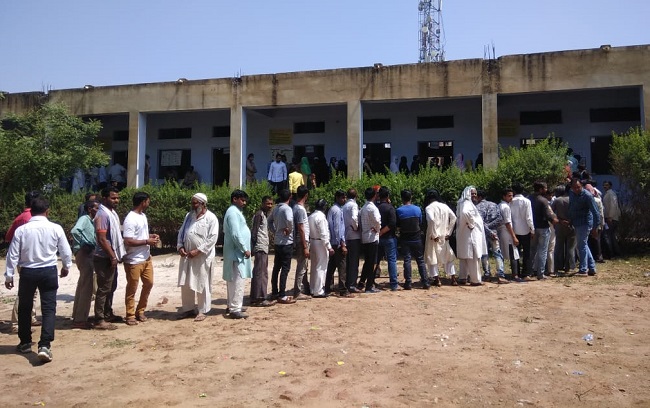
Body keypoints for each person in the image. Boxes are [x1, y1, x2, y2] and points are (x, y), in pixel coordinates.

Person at [5, 197, 72, 363]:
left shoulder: (22, 230)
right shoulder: (55, 228)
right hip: (48, 270)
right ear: (47, 211)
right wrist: (66, 266)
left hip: (28, 272)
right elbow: (65, 250)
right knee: (49, 308)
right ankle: (45, 345)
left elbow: (12, 253)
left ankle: (25, 342)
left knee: (25, 307)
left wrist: (9, 274)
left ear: (30, 210)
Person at [177, 193, 220, 321]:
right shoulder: (188, 216)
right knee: (186, 283)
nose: (193, 205)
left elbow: (212, 238)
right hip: (187, 255)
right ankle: (188, 309)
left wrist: (198, 251)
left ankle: (203, 310)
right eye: (192, 202)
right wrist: (180, 246)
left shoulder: (211, 218)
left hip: (202, 257)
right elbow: (181, 232)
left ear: (203, 204)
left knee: (202, 283)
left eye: (196, 203)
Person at [6, 190, 42, 333]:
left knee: (30, 292)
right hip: (30, 260)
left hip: (23, 259)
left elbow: (8, 237)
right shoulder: (32, 217)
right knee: (25, 293)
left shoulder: (20, 217)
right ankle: (16, 323)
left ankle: (29, 317)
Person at [122, 192, 160, 326]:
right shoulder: (130, 219)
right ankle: (130, 314)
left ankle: (140, 310)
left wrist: (150, 236)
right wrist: (146, 241)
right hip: (134, 259)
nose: (149, 203)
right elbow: (128, 240)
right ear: (143, 202)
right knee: (132, 288)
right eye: (148, 201)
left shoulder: (142, 216)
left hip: (146, 257)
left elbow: (139, 235)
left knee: (149, 283)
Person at [93, 187, 126, 330]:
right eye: (113, 198)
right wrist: (112, 256)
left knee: (111, 286)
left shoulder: (112, 213)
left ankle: (108, 313)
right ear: (105, 198)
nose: (116, 200)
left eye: (117, 198)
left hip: (112, 256)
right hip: (104, 257)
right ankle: (99, 319)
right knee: (104, 288)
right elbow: (101, 239)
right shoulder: (102, 215)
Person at [223, 190, 253, 319]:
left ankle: (233, 305)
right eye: (242, 200)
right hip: (237, 252)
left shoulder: (235, 212)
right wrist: (244, 248)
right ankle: (235, 308)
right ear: (235, 199)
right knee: (237, 280)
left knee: (234, 280)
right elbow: (235, 233)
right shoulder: (233, 213)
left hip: (235, 252)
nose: (244, 203)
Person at [71, 199, 100, 329]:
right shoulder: (84, 219)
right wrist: (85, 243)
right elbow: (75, 231)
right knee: (87, 287)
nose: (98, 210)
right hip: (84, 253)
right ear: (90, 209)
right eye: (96, 208)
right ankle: (80, 319)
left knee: (83, 284)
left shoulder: (90, 221)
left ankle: (77, 315)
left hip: (85, 253)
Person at [396, 190, 429, 289]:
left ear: (402, 198)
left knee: (407, 260)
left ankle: (408, 282)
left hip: (405, 238)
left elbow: (398, 225)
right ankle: (425, 282)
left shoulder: (399, 210)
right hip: (417, 237)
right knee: (420, 260)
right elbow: (420, 222)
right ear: (411, 197)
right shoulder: (418, 209)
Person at [424, 189, 457, 286]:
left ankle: (437, 279)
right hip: (444, 235)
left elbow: (431, 220)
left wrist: (434, 234)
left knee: (432, 257)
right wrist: (449, 232)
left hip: (433, 236)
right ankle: (453, 278)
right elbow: (454, 217)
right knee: (448, 256)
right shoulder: (444, 206)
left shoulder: (429, 208)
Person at [474, 190, 509, 284]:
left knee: (484, 254)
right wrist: (490, 229)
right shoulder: (494, 205)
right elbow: (500, 219)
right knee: (497, 253)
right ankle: (501, 275)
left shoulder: (477, 207)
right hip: (494, 232)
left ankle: (487, 275)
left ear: (479, 197)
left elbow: (480, 222)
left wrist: (487, 229)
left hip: (482, 233)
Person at [456, 186, 488, 285]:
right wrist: (471, 224)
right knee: (473, 257)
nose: (474, 195)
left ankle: (463, 277)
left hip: (465, 235)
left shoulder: (462, 203)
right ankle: (475, 280)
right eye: (472, 193)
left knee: (465, 258)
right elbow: (465, 212)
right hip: (470, 236)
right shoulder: (466, 203)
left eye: (475, 194)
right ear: (467, 193)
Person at [268, 189, 296, 304]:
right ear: (289, 197)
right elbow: (289, 220)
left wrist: (275, 231)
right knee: (285, 268)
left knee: (276, 268)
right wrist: (289, 229)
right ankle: (282, 294)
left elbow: (269, 221)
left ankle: (275, 291)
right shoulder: (287, 208)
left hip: (278, 241)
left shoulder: (276, 208)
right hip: (286, 242)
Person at [568, 178, 600, 276]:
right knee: (583, 245)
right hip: (576, 223)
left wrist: (595, 227)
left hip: (585, 223)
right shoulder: (572, 194)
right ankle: (592, 267)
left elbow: (595, 212)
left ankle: (583, 269)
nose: (576, 189)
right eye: (574, 188)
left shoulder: (587, 196)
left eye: (578, 187)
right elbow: (571, 207)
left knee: (581, 245)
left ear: (581, 186)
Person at [530, 181, 559, 280]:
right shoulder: (543, 200)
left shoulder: (529, 199)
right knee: (543, 250)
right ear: (541, 189)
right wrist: (555, 220)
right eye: (545, 188)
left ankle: (529, 271)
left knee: (532, 250)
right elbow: (548, 216)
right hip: (543, 228)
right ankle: (540, 273)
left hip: (532, 228)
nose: (546, 190)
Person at [250, 196, 275, 307]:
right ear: (262, 203)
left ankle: (257, 296)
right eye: (267, 203)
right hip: (260, 247)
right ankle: (259, 298)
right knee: (260, 273)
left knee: (262, 272)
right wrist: (253, 247)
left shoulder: (263, 215)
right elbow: (254, 232)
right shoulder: (259, 214)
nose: (269, 206)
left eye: (271, 204)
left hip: (263, 246)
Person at [326, 190, 351, 296]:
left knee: (331, 266)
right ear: (337, 198)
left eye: (345, 197)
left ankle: (327, 287)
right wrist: (342, 244)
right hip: (337, 242)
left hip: (333, 242)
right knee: (342, 266)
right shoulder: (337, 211)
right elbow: (337, 229)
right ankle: (343, 290)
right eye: (342, 198)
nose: (344, 200)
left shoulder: (333, 209)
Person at [308, 199, 334, 297]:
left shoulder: (311, 216)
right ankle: (318, 290)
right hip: (320, 243)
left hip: (313, 241)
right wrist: (329, 247)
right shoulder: (321, 217)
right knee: (321, 267)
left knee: (314, 266)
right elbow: (324, 234)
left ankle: (312, 288)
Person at [358, 187, 382, 293]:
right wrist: (377, 229)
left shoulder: (363, 207)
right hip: (372, 237)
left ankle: (362, 282)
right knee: (371, 262)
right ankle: (369, 286)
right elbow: (377, 220)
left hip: (365, 236)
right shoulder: (373, 208)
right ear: (374, 196)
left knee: (368, 261)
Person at [510, 182, 535, 279]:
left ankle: (515, 272)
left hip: (514, 230)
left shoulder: (511, 201)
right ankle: (526, 273)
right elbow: (529, 217)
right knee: (526, 252)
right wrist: (532, 230)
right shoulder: (527, 201)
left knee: (515, 252)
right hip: (525, 230)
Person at [377, 187, 399, 291]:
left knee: (375, 260)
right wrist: (382, 232)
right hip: (389, 237)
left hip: (377, 238)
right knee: (391, 260)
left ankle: (370, 281)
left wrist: (379, 233)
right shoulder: (390, 208)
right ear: (388, 196)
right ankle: (394, 284)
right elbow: (392, 224)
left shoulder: (376, 207)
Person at [551, 184, 576, 274]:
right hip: (572, 225)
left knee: (558, 246)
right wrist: (570, 221)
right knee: (570, 248)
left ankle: (557, 266)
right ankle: (568, 267)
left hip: (560, 225)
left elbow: (551, 212)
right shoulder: (573, 199)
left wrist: (559, 220)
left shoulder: (557, 200)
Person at [292, 186, 311, 300]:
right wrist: (305, 246)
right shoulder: (300, 209)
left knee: (304, 265)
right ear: (306, 195)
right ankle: (297, 291)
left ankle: (305, 287)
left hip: (300, 239)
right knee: (302, 266)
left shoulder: (296, 208)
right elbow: (301, 228)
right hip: (302, 240)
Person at [497, 188, 521, 280]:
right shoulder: (506, 207)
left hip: (502, 232)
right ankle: (515, 275)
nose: (511, 197)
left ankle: (502, 273)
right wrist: (514, 236)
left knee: (502, 253)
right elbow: (507, 223)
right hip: (506, 232)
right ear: (504, 197)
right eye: (509, 196)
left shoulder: (500, 205)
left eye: (512, 195)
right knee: (513, 253)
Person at [343, 188, 362, 293]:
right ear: (356, 196)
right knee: (354, 262)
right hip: (354, 236)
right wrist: (356, 228)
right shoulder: (354, 205)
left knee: (348, 262)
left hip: (346, 236)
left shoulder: (344, 206)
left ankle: (347, 282)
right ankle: (352, 284)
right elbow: (354, 218)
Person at [584, 183, 605, 263]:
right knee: (597, 240)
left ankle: (591, 257)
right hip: (597, 223)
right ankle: (598, 256)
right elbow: (601, 213)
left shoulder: (585, 200)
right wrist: (602, 223)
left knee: (589, 241)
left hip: (588, 223)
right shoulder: (598, 200)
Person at [601, 180, 621, 258]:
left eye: (607, 185)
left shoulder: (611, 194)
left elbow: (613, 205)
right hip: (610, 218)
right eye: (604, 185)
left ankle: (611, 253)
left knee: (608, 236)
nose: (605, 186)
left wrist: (610, 216)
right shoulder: (607, 194)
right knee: (611, 236)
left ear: (610, 186)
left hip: (611, 218)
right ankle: (615, 252)